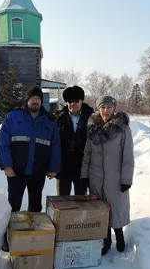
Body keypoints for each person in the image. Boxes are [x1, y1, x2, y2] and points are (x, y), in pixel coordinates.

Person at [0, 85, 61, 251]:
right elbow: (3, 143)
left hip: (37, 172)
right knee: (13, 206)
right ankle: (8, 237)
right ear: (27, 100)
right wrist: (7, 165)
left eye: (38, 99)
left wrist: (53, 167)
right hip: (16, 171)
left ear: (41, 102)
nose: (35, 101)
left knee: (35, 206)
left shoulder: (49, 121)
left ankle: (32, 237)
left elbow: (55, 146)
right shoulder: (14, 117)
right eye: (32, 98)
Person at [81, 95, 134, 255]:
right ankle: (105, 241)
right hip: (96, 177)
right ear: (98, 109)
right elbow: (87, 153)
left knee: (116, 208)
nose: (106, 110)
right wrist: (85, 176)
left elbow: (128, 156)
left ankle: (119, 235)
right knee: (100, 210)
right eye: (103, 107)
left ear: (114, 109)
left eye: (109, 107)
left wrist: (126, 179)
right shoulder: (92, 127)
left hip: (115, 177)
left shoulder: (123, 128)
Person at [55, 85, 94, 195]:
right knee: (62, 201)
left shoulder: (92, 118)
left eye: (76, 101)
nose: (73, 104)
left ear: (82, 101)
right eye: (69, 101)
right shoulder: (58, 118)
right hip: (64, 167)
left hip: (82, 167)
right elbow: (53, 144)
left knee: (81, 201)